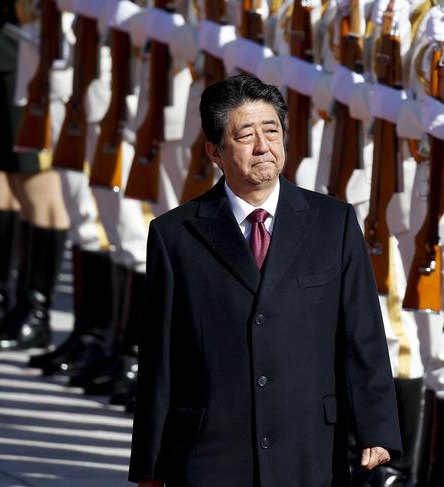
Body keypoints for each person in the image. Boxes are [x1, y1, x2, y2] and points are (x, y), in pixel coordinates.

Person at [129, 75, 402, 486]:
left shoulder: (334, 223)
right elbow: (159, 358)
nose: (263, 147)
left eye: (271, 131)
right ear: (215, 152)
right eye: (245, 135)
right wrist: (150, 465)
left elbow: (362, 334)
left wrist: (377, 427)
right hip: (211, 451)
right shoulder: (175, 235)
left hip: (309, 446)